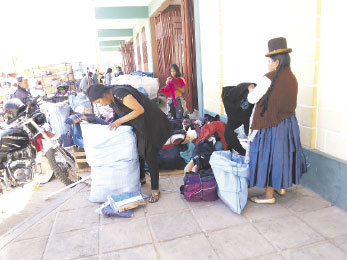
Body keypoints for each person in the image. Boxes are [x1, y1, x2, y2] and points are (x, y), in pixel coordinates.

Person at [86, 84, 171, 203]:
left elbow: (139, 110)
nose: (102, 104)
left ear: (104, 94)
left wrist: (119, 121)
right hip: (141, 125)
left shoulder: (120, 93)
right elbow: (120, 113)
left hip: (153, 124)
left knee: (150, 155)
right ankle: (141, 179)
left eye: (99, 101)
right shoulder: (111, 99)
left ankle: (155, 190)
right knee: (138, 150)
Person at [247, 37, 307, 204]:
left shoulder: (269, 78)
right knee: (283, 156)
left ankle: (268, 195)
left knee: (270, 157)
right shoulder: (292, 78)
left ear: (277, 61)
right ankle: (281, 186)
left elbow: (252, 99)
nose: (268, 64)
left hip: (272, 125)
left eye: (269, 61)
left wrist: (251, 88)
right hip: (288, 124)